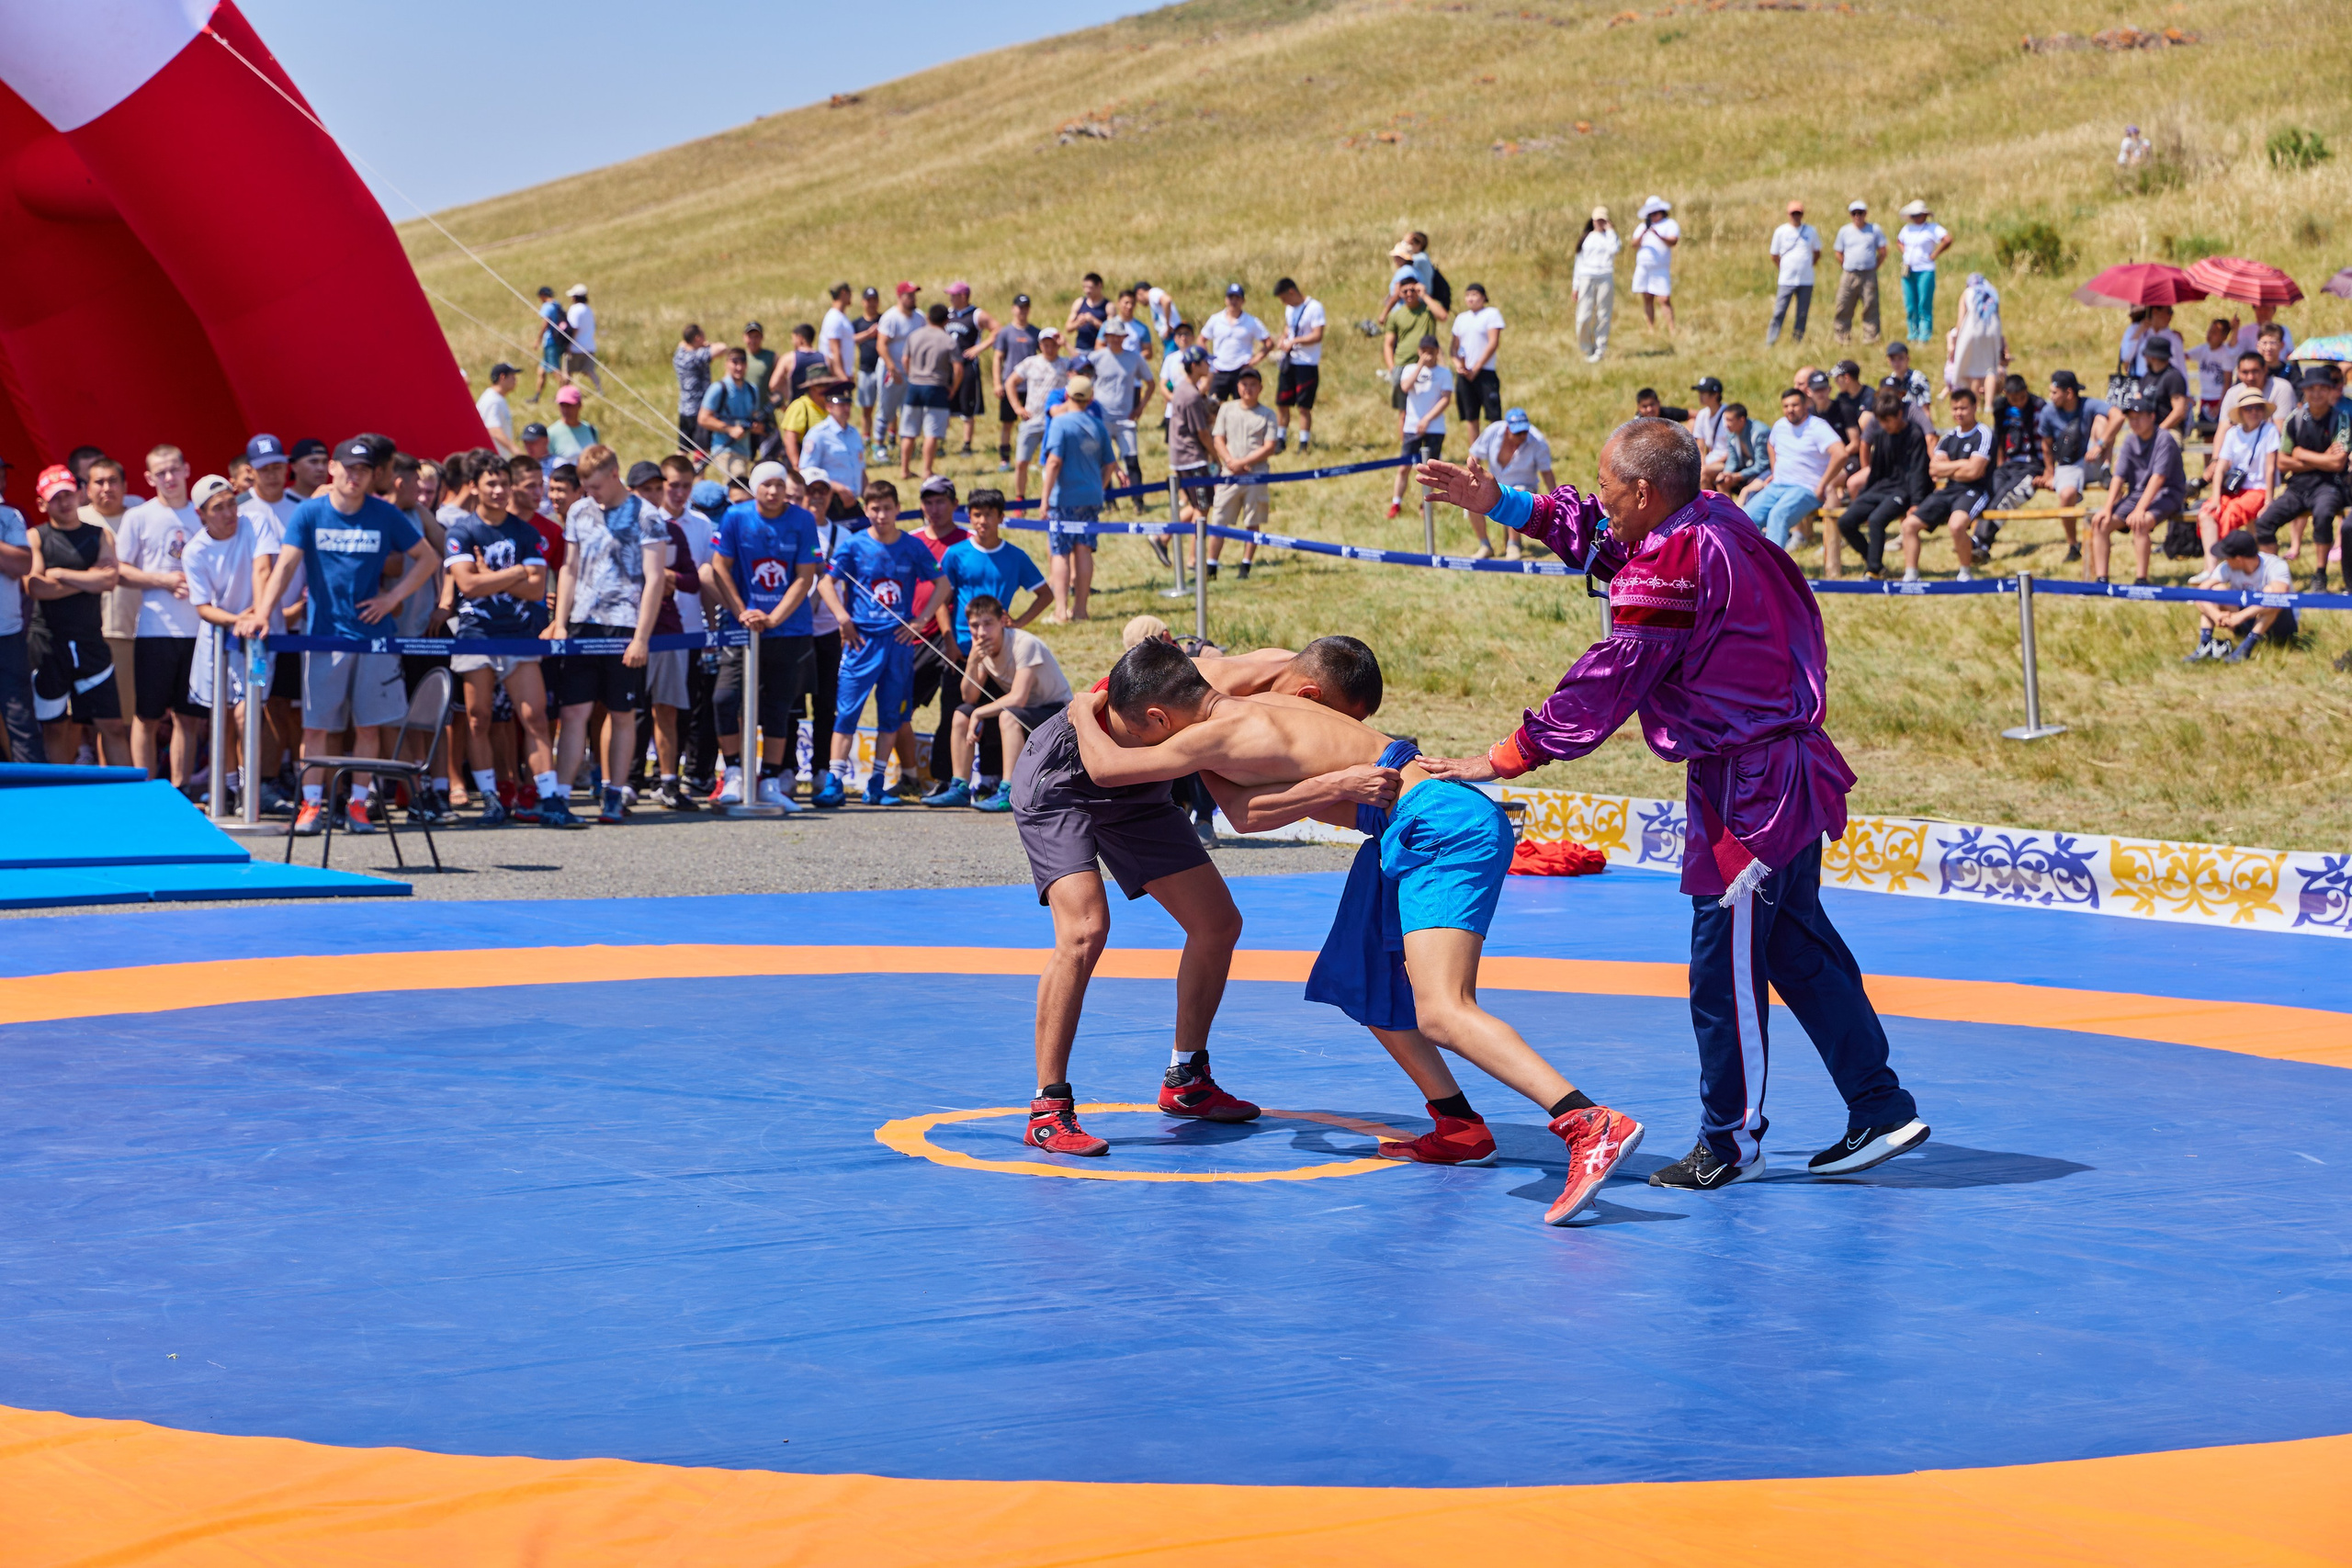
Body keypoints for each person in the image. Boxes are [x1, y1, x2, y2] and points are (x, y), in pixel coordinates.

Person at [1415, 419, 1930, 1190]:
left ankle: (1730, 1141)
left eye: (1609, 486)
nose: (1600, 499)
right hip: (1781, 768)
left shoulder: (1674, 561)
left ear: (1646, 491)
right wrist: (1508, 505)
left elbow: (1607, 679)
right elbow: (1614, 541)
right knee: (1799, 949)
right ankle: (1881, 1107)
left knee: (1721, 970)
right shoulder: (1713, 519)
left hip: (1747, 789)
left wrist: (1504, 756)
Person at [1069, 640, 1648, 1221]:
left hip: (1438, 826)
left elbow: (1105, 767)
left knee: (1443, 1010)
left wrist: (1080, 710)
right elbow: (1242, 815)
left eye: (1140, 732)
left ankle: (1588, 1122)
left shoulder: (1215, 729)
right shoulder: (1257, 706)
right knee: (1362, 979)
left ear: (1159, 719)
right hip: (1408, 827)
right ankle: (1459, 1126)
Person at [1003, 645, 1353, 1157]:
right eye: (1332, 726)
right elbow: (1107, 754)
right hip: (1064, 780)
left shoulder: (1272, 691)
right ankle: (1047, 1109)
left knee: (1217, 923)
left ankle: (1186, 1079)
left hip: (1140, 785)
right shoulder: (1220, 689)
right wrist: (1083, 709)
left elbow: (1237, 807)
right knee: (1084, 931)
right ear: (1309, 697)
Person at [254, 438, 437, 836]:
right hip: (324, 636)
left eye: (363, 470)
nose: (354, 476)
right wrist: (263, 613)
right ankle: (311, 806)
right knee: (316, 728)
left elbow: (428, 558)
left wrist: (392, 598)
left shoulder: (384, 514)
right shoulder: (310, 512)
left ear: (373, 476)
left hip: (373, 638)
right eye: (348, 468)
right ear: (333, 469)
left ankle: (358, 805)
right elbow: (284, 566)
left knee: (368, 727)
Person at [443, 458, 560, 827]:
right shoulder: (462, 531)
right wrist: (513, 574)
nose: (498, 490)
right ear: (474, 486)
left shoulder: (524, 533)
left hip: (519, 636)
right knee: (479, 719)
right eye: (491, 483)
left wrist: (489, 575)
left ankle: (550, 796)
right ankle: (491, 797)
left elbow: (537, 588)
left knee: (534, 717)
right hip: (476, 635)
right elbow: (467, 585)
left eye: (504, 484)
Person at [704, 461, 820, 807]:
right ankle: (736, 772)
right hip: (741, 627)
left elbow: (805, 576)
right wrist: (741, 610)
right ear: (755, 487)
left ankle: (770, 778)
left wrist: (773, 618)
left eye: (778, 485)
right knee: (724, 698)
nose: (772, 492)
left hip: (788, 627)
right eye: (766, 485)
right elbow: (719, 565)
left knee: (779, 705)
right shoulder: (736, 517)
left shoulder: (803, 520)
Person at [929, 487, 1050, 804]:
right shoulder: (956, 554)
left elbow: (1046, 594)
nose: (983, 521)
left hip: (1001, 649)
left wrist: (1019, 623)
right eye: (977, 515)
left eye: (989, 515)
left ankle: (995, 781)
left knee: (999, 713)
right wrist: (949, 640)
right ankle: (949, 782)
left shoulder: (1014, 555)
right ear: (969, 517)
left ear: (1000, 518)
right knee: (955, 712)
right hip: (962, 648)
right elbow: (941, 597)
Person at [827, 478, 944, 806]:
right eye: (875, 509)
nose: (881, 515)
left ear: (897, 510)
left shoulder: (912, 546)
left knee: (892, 715)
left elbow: (942, 583)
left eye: (887, 508)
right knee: (847, 712)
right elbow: (826, 582)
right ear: (866, 510)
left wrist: (920, 622)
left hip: (899, 643)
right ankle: (834, 780)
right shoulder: (853, 545)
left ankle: (877, 782)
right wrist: (842, 618)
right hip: (861, 642)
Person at [114, 446, 205, 786]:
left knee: (188, 718)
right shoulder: (139, 516)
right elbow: (120, 570)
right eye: (161, 473)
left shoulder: (202, 515)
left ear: (186, 470)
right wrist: (163, 580)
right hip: (154, 629)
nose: (169, 478)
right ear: (150, 478)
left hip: (198, 631)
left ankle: (180, 789)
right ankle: (145, 790)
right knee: (147, 715)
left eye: (174, 470)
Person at [26, 467, 127, 766]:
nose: (64, 503)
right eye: (56, 498)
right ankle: (56, 796)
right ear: (43, 503)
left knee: (111, 725)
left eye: (68, 495)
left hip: (90, 643)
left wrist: (60, 575)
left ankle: (129, 796)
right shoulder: (36, 536)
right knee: (55, 728)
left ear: (79, 495)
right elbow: (35, 586)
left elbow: (109, 581)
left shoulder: (100, 535)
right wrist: (88, 579)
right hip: (47, 644)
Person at [939, 592, 1072, 814]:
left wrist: (979, 713)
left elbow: (1018, 697)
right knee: (962, 713)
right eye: (974, 625)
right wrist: (972, 663)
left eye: (988, 624)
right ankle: (960, 787)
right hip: (1025, 711)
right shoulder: (982, 650)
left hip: (1056, 712)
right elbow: (968, 698)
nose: (981, 632)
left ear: (1002, 621)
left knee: (1007, 715)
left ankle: (1009, 791)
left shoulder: (1024, 643)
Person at [179, 473, 264, 796]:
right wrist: (238, 619)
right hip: (217, 643)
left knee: (247, 715)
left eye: (232, 504)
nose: (229, 514)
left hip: (256, 641)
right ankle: (226, 787)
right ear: (201, 514)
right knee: (222, 717)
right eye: (219, 508)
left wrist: (254, 616)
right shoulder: (194, 551)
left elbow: (264, 570)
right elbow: (203, 606)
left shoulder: (253, 524)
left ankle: (250, 786)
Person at [2253, 364, 2348, 590]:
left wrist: (2301, 454)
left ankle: (2320, 573)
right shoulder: (2293, 419)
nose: (2316, 393)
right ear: (2304, 391)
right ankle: (2274, 574)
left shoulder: (2341, 419)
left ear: (2330, 390)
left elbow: (2338, 462)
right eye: (2311, 388)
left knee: (2324, 515)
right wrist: (2320, 459)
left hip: (2329, 486)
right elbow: (2282, 462)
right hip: (2297, 487)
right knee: (2264, 523)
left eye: (2322, 388)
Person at [905, 475, 969, 795]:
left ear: (954, 504)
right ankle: (905, 773)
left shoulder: (968, 540)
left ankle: (945, 778)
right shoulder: (910, 539)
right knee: (900, 706)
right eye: (928, 502)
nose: (934, 508)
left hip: (952, 638)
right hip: (911, 637)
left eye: (941, 500)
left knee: (951, 708)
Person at [1897, 386, 1996, 581]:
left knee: (1956, 525)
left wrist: (1950, 468)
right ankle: (1911, 574)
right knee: (1909, 525)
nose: (1958, 413)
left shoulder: (1983, 433)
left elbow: (1975, 472)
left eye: (1963, 408)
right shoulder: (1948, 437)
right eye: (1955, 408)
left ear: (1974, 407)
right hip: (1948, 490)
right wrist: (1961, 465)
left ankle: (1965, 572)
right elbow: (1934, 469)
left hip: (1974, 490)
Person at [2087, 394, 2188, 584]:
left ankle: (2141, 579)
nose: (2134, 422)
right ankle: (2102, 579)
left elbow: (2158, 478)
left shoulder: (2164, 439)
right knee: (2100, 523)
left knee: (2139, 522)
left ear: (2151, 417)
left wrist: (2140, 509)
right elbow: (2118, 477)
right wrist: (2107, 508)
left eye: (2139, 417)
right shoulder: (2129, 441)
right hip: (2138, 495)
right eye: (2131, 418)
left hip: (2168, 493)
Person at [1836, 385, 1931, 578]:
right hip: (1881, 487)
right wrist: (1864, 495)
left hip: (1904, 491)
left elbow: (1918, 472)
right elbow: (1876, 470)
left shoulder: (1914, 435)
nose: (1885, 425)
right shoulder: (1881, 435)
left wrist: (1916, 502)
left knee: (1876, 520)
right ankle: (1875, 564)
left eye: (1888, 420)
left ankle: (1873, 570)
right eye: (1881, 421)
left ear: (1899, 415)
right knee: (1846, 521)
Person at [1041, 374, 1114, 617]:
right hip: (1091, 497)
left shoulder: (1060, 423)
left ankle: (1061, 611)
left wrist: (1044, 500)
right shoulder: (1097, 424)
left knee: (1061, 552)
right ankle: (1081, 610)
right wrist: (1099, 487)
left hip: (1063, 499)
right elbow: (1110, 464)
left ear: (1067, 396)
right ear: (1091, 397)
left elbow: (1053, 462)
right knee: (1084, 551)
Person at [1743, 387, 1842, 548]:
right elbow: (1771, 445)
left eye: (1794, 405)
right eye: (1786, 406)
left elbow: (1840, 453)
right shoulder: (1780, 426)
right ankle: (1748, 565)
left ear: (1805, 406)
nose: (1790, 410)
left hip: (1807, 488)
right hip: (1777, 485)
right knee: (1745, 517)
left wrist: (1823, 484)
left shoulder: (1817, 427)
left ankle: (1774, 569)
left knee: (1778, 515)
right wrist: (1775, 472)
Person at [1208, 365, 1280, 578]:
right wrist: (1230, 461)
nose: (1248, 388)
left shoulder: (1267, 414)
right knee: (1219, 519)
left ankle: (1245, 565)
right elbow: (1218, 438)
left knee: (1252, 520)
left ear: (1260, 388)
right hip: (1229, 474)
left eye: (1253, 385)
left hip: (1255, 475)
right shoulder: (1227, 409)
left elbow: (1270, 446)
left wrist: (1245, 462)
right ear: (1238, 387)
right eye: (1244, 384)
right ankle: (1211, 565)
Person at [2187, 529, 2297, 662]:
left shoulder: (2275, 565)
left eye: (2226, 556)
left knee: (2270, 594)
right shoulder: (2227, 567)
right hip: (2243, 621)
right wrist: (2215, 614)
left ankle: (2247, 647)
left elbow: (2279, 596)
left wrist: (2241, 616)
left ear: (2238, 559)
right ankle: (2205, 644)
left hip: (2281, 627)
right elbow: (2200, 592)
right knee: (2215, 590)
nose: (2224, 560)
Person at [2036, 370, 2109, 570]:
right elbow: (2046, 445)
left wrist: (2100, 445)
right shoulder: (2049, 412)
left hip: (2092, 458)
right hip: (2068, 464)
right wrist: (2049, 473)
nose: (2050, 397)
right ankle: (2073, 545)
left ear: (2069, 393)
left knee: (2102, 419)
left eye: (2054, 392)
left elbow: (2117, 416)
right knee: (2066, 495)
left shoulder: (2089, 405)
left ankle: (2107, 470)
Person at [2199, 384, 2280, 558]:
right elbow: (2220, 467)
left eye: (2258, 407)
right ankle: (2211, 565)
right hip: (2234, 490)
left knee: (2231, 513)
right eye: (2248, 408)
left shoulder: (2270, 431)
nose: (2254, 412)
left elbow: (2270, 468)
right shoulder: (2232, 433)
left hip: (2258, 489)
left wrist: (2268, 501)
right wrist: (2215, 498)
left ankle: (2225, 557)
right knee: (2207, 512)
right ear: (2241, 412)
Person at [1974, 373, 2050, 558]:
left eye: (2022, 398)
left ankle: (1981, 541)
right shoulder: (2001, 407)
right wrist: (2000, 463)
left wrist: (2049, 470)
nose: (2018, 402)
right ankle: (1977, 540)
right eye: (2013, 398)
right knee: (1990, 492)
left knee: (2004, 497)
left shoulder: (2040, 407)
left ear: (2026, 391)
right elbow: (2000, 435)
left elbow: (2048, 441)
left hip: (2032, 466)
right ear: (2005, 394)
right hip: (2008, 463)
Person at [1465, 409, 1555, 561]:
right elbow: (1475, 454)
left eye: (1524, 432)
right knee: (1472, 497)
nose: (1522, 436)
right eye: (1517, 433)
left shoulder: (1537, 441)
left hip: (1525, 488)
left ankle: (1513, 544)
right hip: (1495, 485)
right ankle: (1485, 545)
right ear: (1507, 429)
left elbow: (1547, 472)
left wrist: (1556, 498)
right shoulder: (1493, 431)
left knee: (1516, 493)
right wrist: (1470, 480)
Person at [0, 463, 43, 764]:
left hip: (7, 633)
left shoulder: (10, 516)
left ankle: (33, 797)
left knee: (21, 718)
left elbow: (22, 565)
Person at [1388, 335, 1453, 520]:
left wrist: (1427, 419)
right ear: (1419, 352)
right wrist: (1420, 366)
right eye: (1424, 351)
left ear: (1436, 352)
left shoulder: (1444, 373)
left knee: (1430, 470)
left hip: (1435, 427)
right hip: (1411, 426)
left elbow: (1446, 399)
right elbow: (1405, 387)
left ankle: (1426, 504)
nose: (1428, 355)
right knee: (1403, 467)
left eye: (1431, 352)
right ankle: (1396, 503)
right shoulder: (1410, 369)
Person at [1087, 319, 1153, 502]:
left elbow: (1151, 383)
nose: (1115, 340)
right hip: (1102, 419)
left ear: (1124, 337)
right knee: (1103, 461)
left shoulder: (1134, 358)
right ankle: (1108, 501)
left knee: (1131, 459)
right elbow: (1081, 377)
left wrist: (1140, 407)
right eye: (1111, 336)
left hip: (1125, 419)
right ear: (1106, 337)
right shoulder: (1096, 357)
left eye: (1119, 336)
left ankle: (1137, 501)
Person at [897, 301, 959, 480]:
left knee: (909, 430)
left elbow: (905, 359)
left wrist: (912, 375)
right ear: (946, 321)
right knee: (932, 431)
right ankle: (926, 470)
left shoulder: (914, 336)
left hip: (915, 385)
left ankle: (904, 469)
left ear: (928, 317)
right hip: (936, 386)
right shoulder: (948, 340)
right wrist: (953, 387)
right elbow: (958, 368)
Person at [1166, 345, 1219, 554]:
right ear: (1195, 366)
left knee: (1199, 505)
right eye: (1206, 362)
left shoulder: (1183, 389)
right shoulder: (1191, 395)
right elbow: (1202, 433)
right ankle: (1193, 559)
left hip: (1181, 456)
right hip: (1192, 457)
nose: (1209, 366)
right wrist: (1215, 456)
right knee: (1202, 508)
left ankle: (1162, 537)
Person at [1008, 324, 1069, 503]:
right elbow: (1011, 382)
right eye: (1045, 343)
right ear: (1040, 344)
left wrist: (1066, 344)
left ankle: (1053, 498)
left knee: (1056, 463)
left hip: (1056, 421)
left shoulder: (1065, 363)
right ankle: (1020, 499)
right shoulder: (1031, 362)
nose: (1048, 347)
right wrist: (1017, 407)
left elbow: (1083, 367)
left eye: (1052, 343)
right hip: (1032, 419)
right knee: (1021, 462)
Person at [1271, 276, 1325, 452]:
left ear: (1292, 292)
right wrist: (1283, 338)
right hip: (1290, 361)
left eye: (1284, 298)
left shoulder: (1314, 308)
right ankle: (1281, 438)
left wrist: (1295, 341)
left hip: (1307, 363)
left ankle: (1303, 442)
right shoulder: (1289, 309)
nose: (1284, 302)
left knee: (1303, 406)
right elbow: (1289, 327)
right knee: (1282, 402)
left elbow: (1317, 335)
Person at [944, 282, 995, 456]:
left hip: (967, 366)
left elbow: (997, 330)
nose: (950, 298)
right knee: (945, 404)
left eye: (954, 295)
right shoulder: (948, 314)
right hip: (948, 366)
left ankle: (967, 444)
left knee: (967, 405)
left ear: (963, 296)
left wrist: (979, 348)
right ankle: (941, 443)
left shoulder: (976, 314)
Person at [1449, 282, 1505, 441]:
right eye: (1468, 295)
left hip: (1485, 371)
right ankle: (1474, 456)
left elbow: (1493, 343)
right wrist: (1459, 365)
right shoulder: (1461, 318)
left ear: (1483, 297)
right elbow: (1453, 348)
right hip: (1465, 374)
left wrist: (1477, 367)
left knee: (1494, 415)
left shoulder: (1491, 314)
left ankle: (1498, 453)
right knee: (1470, 416)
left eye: (1474, 295)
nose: (1471, 299)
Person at [990, 293, 1039, 471]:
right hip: (1010, 385)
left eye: (1025, 308)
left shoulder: (1035, 332)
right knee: (1007, 423)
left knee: (1032, 423)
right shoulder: (1005, 333)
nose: (1022, 312)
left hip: (1032, 386)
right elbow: (997, 358)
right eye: (1019, 308)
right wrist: (997, 383)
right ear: (1013, 309)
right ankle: (1005, 459)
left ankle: (1029, 459)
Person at [1381, 276, 1445, 411]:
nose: (1409, 294)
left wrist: (1425, 295)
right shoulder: (1395, 315)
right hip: (1402, 365)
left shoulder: (1427, 310)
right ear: (1400, 293)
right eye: (1405, 291)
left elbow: (1443, 316)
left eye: (1413, 290)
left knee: (1429, 405)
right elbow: (1388, 344)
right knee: (1403, 411)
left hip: (1427, 364)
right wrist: (1392, 367)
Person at [1945, 273, 2007, 412]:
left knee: (1974, 369)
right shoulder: (1992, 291)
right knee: (1990, 367)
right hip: (1993, 329)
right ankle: (1989, 405)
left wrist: (1955, 341)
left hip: (1972, 330)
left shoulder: (1967, 292)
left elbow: (1961, 321)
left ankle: (1976, 405)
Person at [1827, 199, 1886, 345]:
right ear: (1850, 215)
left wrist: (1874, 267)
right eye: (1854, 213)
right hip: (1849, 274)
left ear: (1865, 214)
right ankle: (1842, 337)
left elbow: (1883, 252)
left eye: (1860, 213)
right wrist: (1846, 265)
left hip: (1868, 274)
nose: (1857, 216)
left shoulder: (1874, 229)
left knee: (1870, 305)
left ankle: (1871, 338)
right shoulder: (1844, 231)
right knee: (1843, 304)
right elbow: (1838, 253)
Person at [875, 282, 922, 460]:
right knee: (886, 409)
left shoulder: (919, 317)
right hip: (892, 371)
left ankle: (906, 447)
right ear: (900, 296)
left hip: (911, 372)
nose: (912, 298)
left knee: (909, 410)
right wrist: (891, 367)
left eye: (914, 295)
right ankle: (879, 445)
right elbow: (881, 344)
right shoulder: (890, 317)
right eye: (909, 295)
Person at [697, 348, 762, 479]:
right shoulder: (718, 388)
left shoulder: (752, 389)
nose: (739, 367)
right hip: (725, 449)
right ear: (727, 363)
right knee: (738, 484)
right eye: (734, 362)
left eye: (742, 363)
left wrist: (757, 427)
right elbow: (703, 418)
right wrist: (730, 429)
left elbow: (754, 417)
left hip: (745, 451)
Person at [1201, 283, 1271, 401]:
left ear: (1242, 301)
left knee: (1242, 405)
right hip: (1219, 369)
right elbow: (1202, 340)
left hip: (1240, 370)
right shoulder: (1216, 320)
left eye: (1237, 298)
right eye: (1230, 298)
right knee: (1214, 407)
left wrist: (1253, 361)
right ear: (1225, 300)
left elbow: (1268, 342)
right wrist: (1209, 361)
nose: (1233, 301)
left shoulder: (1251, 321)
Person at [1894, 200, 1951, 344]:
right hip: (1908, 270)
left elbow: (1947, 239)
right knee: (1910, 304)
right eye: (1914, 215)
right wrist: (1905, 252)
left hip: (1925, 270)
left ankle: (1924, 335)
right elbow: (1899, 241)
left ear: (1925, 215)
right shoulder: (1907, 229)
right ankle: (1912, 333)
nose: (1916, 217)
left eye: (1918, 214)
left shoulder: (1932, 228)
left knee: (1924, 303)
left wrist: (1935, 254)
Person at [1767, 200, 1821, 345]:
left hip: (1806, 280)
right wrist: (1783, 267)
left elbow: (1817, 252)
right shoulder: (1781, 231)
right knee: (1779, 312)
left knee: (1802, 314)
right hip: (1786, 280)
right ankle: (1771, 341)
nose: (1796, 216)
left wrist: (1809, 265)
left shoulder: (1811, 231)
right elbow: (1774, 255)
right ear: (1788, 214)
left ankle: (1797, 341)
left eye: (1798, 213)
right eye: (1793, 213)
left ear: (1802, 214)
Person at [801, 382, 866, 503]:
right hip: (829, 501)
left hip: (854, 501)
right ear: (829, 407)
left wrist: (867, 497)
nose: (847, 409)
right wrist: (837, 488)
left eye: (848, 404)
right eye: (841, 405)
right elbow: (806, 471)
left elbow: (861, 470)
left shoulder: (854, 434)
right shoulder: (818, 434)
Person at [1572, 208, 1619, 363]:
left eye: (1602, 220)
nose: (1599, 223)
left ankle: (1600, 348)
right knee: (1583, 316)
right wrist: (1575, 286)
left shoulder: (1610, 237)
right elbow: (1578, 263)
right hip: (1587, 278)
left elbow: (1615, 249)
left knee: (1603, 315)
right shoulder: (1586, 238)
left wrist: (1610, 231)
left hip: (1605, 277)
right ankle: (1587, 347)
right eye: (1597, 220)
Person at [1630, 196, 1678, 333]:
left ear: (1662, 212)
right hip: (1644, 266)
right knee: (1647, 297)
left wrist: (1658, 235)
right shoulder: (1642, 227)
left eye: (1656, 213)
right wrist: (1645, 231)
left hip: (1660, 267)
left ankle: (1671, 329)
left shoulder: (1669, 224)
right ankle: (1651, 329)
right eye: (1651, 214)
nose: (1654, 216)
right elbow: (1633, 244)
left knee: (1664, 298)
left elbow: (1673, 241)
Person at [2188, 317, 2238, 436]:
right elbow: (2185, 356)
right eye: (2210, 331)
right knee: (2206, 435)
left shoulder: (2225, 354)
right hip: (2205, 399)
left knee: (2220, 434)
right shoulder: (2203, 349)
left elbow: (2227, 381)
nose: (2210, 335)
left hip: (2218, 398)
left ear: (2224, 337)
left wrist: (2220, 405)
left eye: (2215, 332)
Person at [1708, 402, 1770, 496]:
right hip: (1746, 468)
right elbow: (1732, 459)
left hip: (1765, 472)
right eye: (1725, 420)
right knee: (1722, 482)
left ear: (1741, 420)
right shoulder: (1731, 432)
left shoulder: (1759, 433)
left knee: (1749, 489)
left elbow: (1762, 465)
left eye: (1730, 420)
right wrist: (1727, 473)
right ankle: (1728, 510)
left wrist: (1738, 476)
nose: (1726, 424)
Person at [852, 285, 886, 451]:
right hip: (865, 369)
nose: (872, 304)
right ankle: (866, 438)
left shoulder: (884, 319)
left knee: (887, 406)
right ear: (863, 302)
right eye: (868, 300)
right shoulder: (857, 322)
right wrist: (869, 334)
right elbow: (849, 340)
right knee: (867, 407)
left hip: (884, 369)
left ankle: (889, 436)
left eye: (874, 300)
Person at [673, 325, 714, 453]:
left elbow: (682, 343)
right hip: (699, 411)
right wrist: (706, 345)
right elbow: (722, 348)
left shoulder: (679, 354)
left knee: (683, 449)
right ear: (697, 338)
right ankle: (698, 473)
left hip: (684, 409)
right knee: (701, 451)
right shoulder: (697, 356)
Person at [2119, 303, 2186, 379]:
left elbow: (2181, 367)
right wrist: (2139, 332)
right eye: (2169, 311)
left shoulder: (2173, 337)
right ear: (2155, 312)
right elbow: (2126, 357)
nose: (2171, 316)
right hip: (2141, 384)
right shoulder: (2134, 329)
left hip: (2165, 386)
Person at [531, 286, 569, 403]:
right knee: (541, 371)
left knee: (555, 370)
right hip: (558, 341)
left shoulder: (547, 306)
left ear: (542, 295)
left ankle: (566, 394)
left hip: (550, 342)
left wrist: (538, 339)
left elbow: (545, 323)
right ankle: (537, 396)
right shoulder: (557, 305)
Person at [562, 284, 601, 393]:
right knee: (589, 371)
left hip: (576, 347)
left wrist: (568, 344)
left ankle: (564, 393)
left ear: (575, 297)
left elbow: (574, 328)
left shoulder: (574, 309)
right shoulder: (588, 310)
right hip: (589, 346)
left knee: (568, 372)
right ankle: (600, 390)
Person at [478, 362, 521, 457]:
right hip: (492, 459)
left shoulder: (497, 398)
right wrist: (516, 451)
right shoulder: (493, 400)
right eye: (512, 376)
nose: (515, 380)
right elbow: (494, 430)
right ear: (502, 377)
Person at [548, 385, 599, 462]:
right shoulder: (551, 433)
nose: (565, 410)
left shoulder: (591, 430)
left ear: (580, 405)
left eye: (569, 405)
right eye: (562, 405)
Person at [1065, 272, 1110, 355]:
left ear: (1099, 285)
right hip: (1080, 349)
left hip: (1100, 350)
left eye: (1090, 287)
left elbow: (1113, 331)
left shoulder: (1108, 306)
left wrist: (1094, 321)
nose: (1087, 291)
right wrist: (1078, 323)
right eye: (1084, 287)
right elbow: (1068, 328)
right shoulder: (1079, 303)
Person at [1686, 376, 1726, 454]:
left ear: (1715, 395)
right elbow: (1700, 446)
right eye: (1700, 393)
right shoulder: (1702, 414)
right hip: (1710, 461)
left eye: (1703, 393)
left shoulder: (1728, 415)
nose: (1700, 396)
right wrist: (1703, 464)